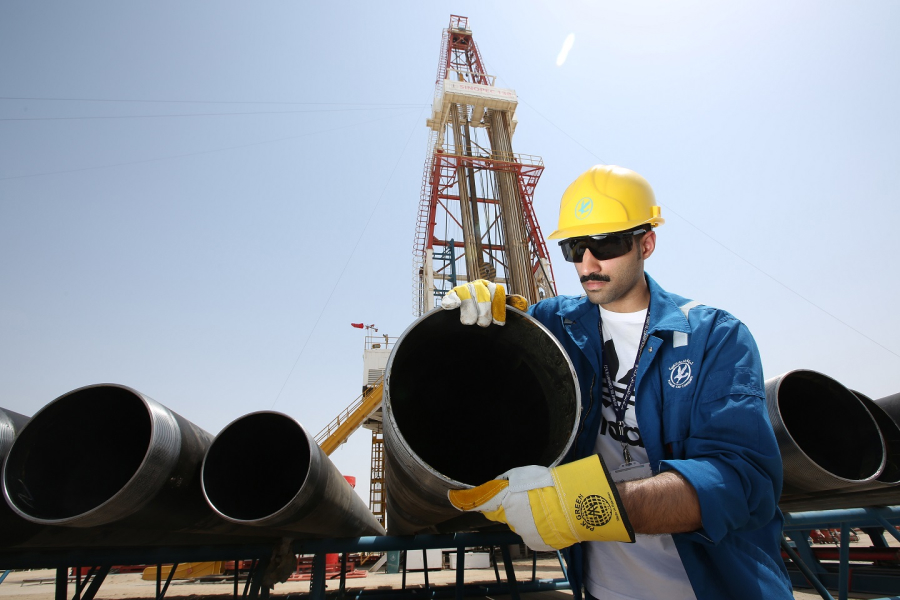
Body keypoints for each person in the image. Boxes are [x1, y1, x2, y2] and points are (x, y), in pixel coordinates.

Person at [442, 165, 793, 600]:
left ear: (646, 242)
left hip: (714, 586)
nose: (588, 262)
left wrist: (580, 507)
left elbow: (742, 479)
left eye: (606, 242)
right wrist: (481, 316)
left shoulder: (713, 337)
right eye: (574, 247)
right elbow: (483, 372)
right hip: (602, 588)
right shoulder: (555, 323)